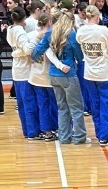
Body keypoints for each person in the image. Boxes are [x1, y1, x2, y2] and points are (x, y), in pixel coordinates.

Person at [34, 7, 87, 144]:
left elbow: (37, 51)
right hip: (68, 74)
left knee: (62, 107)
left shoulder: (50, 33)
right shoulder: (71, 34)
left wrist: (35, 57)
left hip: (53, 75)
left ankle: (64, 137)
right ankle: (79, 137)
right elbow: (79, 56)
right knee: (76, 108)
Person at [77, 3, 108, 145]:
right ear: (97, 16)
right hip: (103, 72)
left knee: (95, 105)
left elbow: (80, 46)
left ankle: (100, 134)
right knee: (106, 105)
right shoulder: (104, 30)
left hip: (89, 73)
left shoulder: (81, 31)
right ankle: (106, 136)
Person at [25, 10, 58, 139]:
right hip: (48, 76)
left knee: (42, 105)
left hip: (35, 76)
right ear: (50, 22)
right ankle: (56, 128)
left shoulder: (31, 35)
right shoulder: (52, 36)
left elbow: (28, 53)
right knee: (54, 105)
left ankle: (46, 132)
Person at [8, 7, 40, 138]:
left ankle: (27, 131)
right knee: (29, 103)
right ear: (24, 19)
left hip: (17, 70)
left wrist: (15, 52)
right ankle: (32, 132)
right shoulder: (20, 31)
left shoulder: (10, 29)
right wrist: (37, 38)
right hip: (24, 71)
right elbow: (27, 50)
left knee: (22, 104)